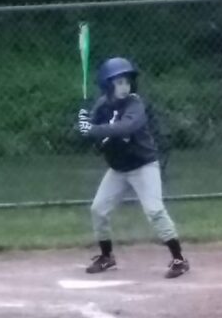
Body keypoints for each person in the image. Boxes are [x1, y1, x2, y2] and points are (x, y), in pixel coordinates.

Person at [77, 57, 190, 279]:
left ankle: (179, 259)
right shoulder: (102, 106)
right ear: (108, 85)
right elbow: (91, 134)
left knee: (155, 211)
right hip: (118, 169)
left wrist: (92, 129)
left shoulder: (135, 104)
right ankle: (106, 256)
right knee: (98, 209)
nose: (124, 87)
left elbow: (126, 126)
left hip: (143, 166)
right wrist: (82, 123)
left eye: (127, 82)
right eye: (119, 82)